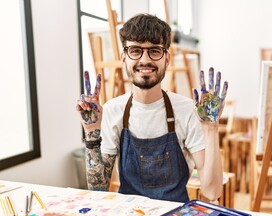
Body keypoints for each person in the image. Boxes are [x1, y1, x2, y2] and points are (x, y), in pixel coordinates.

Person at [76, 13, 228, 202]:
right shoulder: (112, 111)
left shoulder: (189, 111)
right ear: (124, 57)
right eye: (135, 50)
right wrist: (91, 132)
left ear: (167, 58)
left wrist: (211, 128)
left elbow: (212, 192)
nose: (145, 60)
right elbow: (98, 190)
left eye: (154, 51)